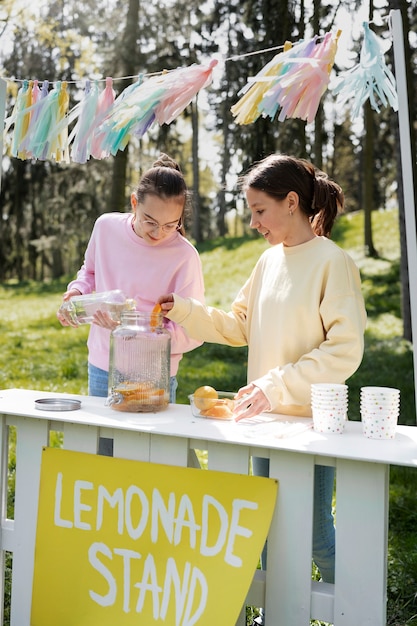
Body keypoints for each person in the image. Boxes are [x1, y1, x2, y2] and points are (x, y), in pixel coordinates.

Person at [157, 154, 367, 594]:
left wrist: (276, 385)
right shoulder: (268, 262)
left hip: (309, 425)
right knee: (266, 526)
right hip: (263, 422)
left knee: (314, 533)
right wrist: (186, 310)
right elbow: (239, 325)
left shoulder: (333, 262)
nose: (253, 223)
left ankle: (349, 611)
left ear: (291, 202)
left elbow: (344, 351)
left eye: (259, 211)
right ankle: (269, 613)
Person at [57, 153, 205, 434]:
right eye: (150, 221)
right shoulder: (105, 228)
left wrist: (134, 331)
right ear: (134, 203)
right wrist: (76, 292)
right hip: (103, 363)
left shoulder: (185, 257)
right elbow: (89, 272)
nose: (160, 233)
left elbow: (193, 329)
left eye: (171, 224)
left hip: (154, 375)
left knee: (150, 457)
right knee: (104, 450)